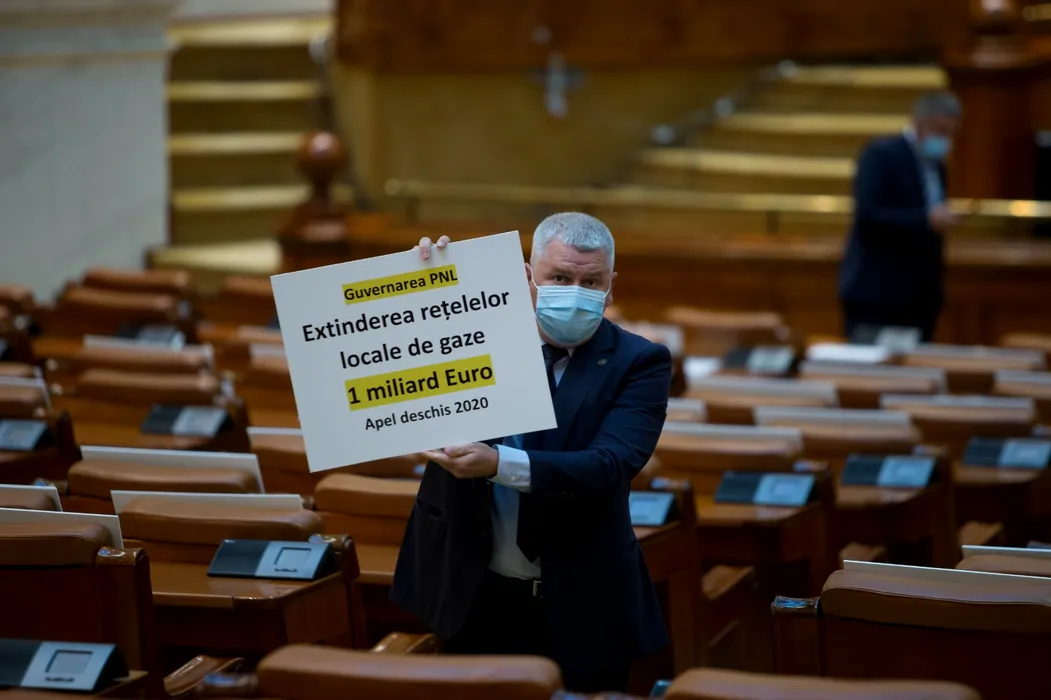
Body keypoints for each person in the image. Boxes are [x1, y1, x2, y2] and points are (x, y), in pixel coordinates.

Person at [390, 213, 671, 693]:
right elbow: (391, 361)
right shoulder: (469, 335)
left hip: (583, 602)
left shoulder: (639, 361)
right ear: (527, 276)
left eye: (591, 282)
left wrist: (497, 465)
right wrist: (425, 287)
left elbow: (609, 466)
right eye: (559, 277)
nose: (575, 292)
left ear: (611, 287)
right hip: (471, 591)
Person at [838, 91, 963, 342]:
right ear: (920, 121)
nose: (945, 139)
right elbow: (869, 215)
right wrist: (926, 219)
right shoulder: (882, 154)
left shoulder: (937, 167)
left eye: (950, 133)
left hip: (921, 297)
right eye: (940, 130)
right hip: (878, 293)